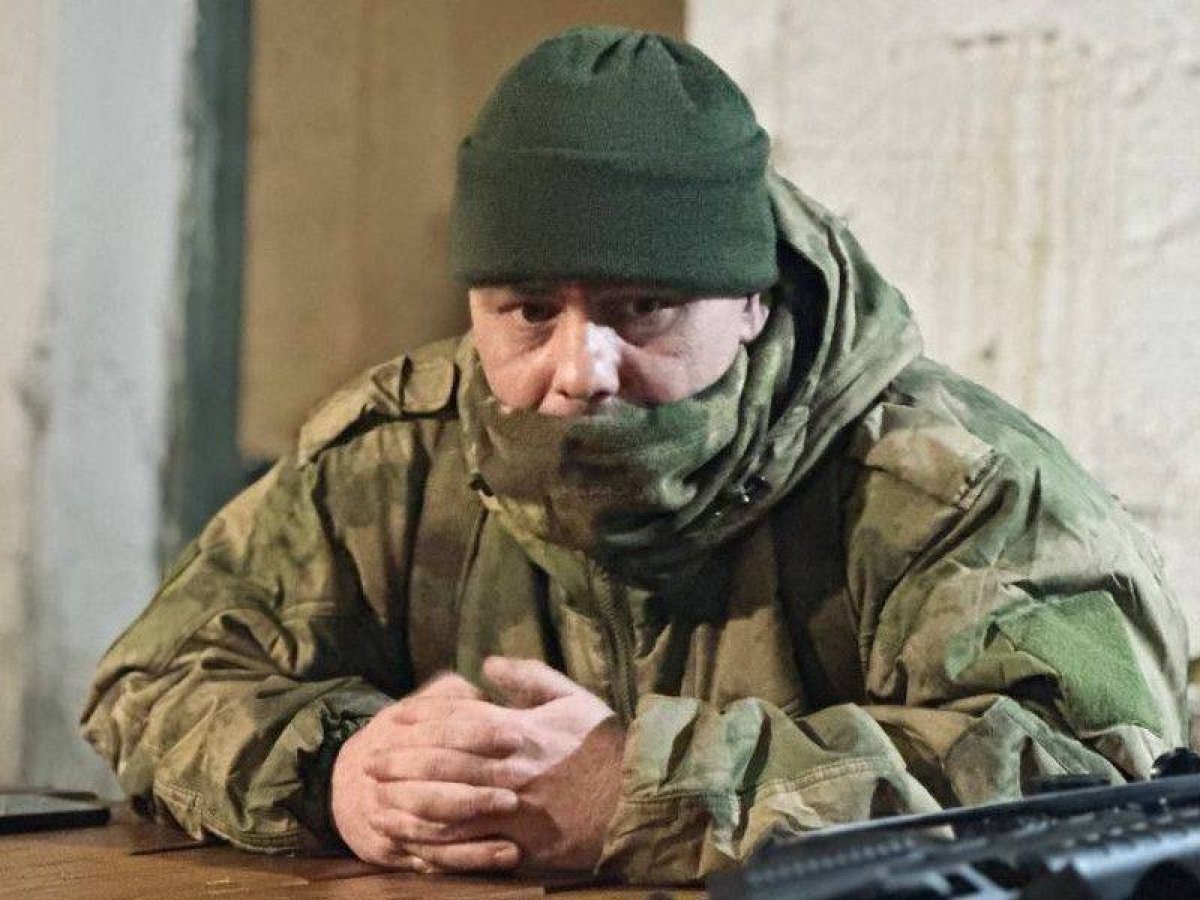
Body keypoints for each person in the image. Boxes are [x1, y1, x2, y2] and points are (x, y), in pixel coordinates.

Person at [82, 26, 1189, 884]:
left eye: (643, 307)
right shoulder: (396, 457)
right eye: (528, 310)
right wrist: (337, 768)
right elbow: (156, 677)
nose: (580, 369)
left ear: (751, 301)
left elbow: (1104, 783)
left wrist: (645, 791)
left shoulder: (953, 488)